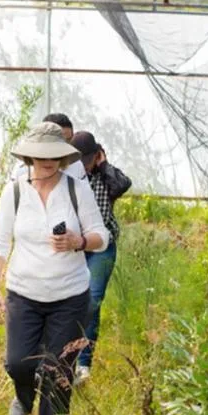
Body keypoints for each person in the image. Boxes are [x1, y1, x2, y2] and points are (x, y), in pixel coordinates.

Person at [0, 122, 110, 415]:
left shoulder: (76, 189)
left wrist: (79, 242)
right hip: (24, 292)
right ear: (29, 156)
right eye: (42, 156)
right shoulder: (13, 192)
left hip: (70, 293)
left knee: (59, 369)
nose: (49, 162)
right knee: (17, 361)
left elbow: (102, 235)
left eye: (56, 156)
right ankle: (24, 395)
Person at [69, 131, 132, 385]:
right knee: (71, 301)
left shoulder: (107, 176)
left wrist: (103, 165)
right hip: (74, 246)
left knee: (92, 301)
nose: (83, 163)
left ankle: (83, 364)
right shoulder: (70, 175)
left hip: (102, 248)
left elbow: (123, 185)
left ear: (96, 155)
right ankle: (66, 357)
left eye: (88, 158)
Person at [10, 113, 86, 181]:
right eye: (59, 141)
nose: (64, 145)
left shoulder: (77, 166)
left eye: (68, 140)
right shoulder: (22, 169)